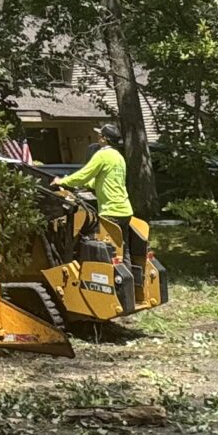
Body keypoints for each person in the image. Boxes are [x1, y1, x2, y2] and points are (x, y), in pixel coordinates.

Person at [59, 123, 149, 304]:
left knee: (103, 253)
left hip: (110, 211)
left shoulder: (102, 155)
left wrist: (62, 181)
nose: (98, 137)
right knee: (124, 252)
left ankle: (111, 297)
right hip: (124, 210)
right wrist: (88, 185)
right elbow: (104, 181)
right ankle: (130, 293)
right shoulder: (118, 157)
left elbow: (83, 175)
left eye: (100, 135)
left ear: (104, 139)